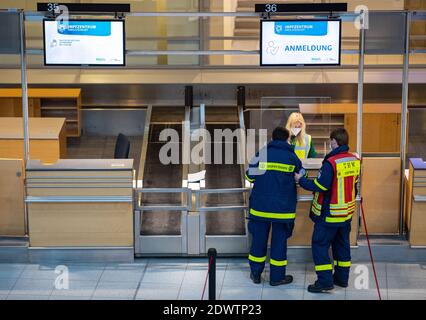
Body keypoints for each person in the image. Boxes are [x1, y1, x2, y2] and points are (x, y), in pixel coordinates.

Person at [295, 128, 360, 293]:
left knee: (320, 245)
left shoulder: (331, 162)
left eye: (331, 141)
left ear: (334, 142)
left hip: (329, 215)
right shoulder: (354, 159)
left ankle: (324, 281)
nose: (330, 144)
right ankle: (341, 279)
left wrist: (301, 180)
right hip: (345, 213)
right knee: (341, 246)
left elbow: (321, 186)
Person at [245, 127, 304, 286]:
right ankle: (277, 278)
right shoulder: (292, 156)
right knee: (279, 244)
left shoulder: (263, 153)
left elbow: (249, 175)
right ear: (286, 139)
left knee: (258, 241)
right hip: (282, 210)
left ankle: (256, 274)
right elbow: (301, 174)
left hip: (260, 208)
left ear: (272, 137)